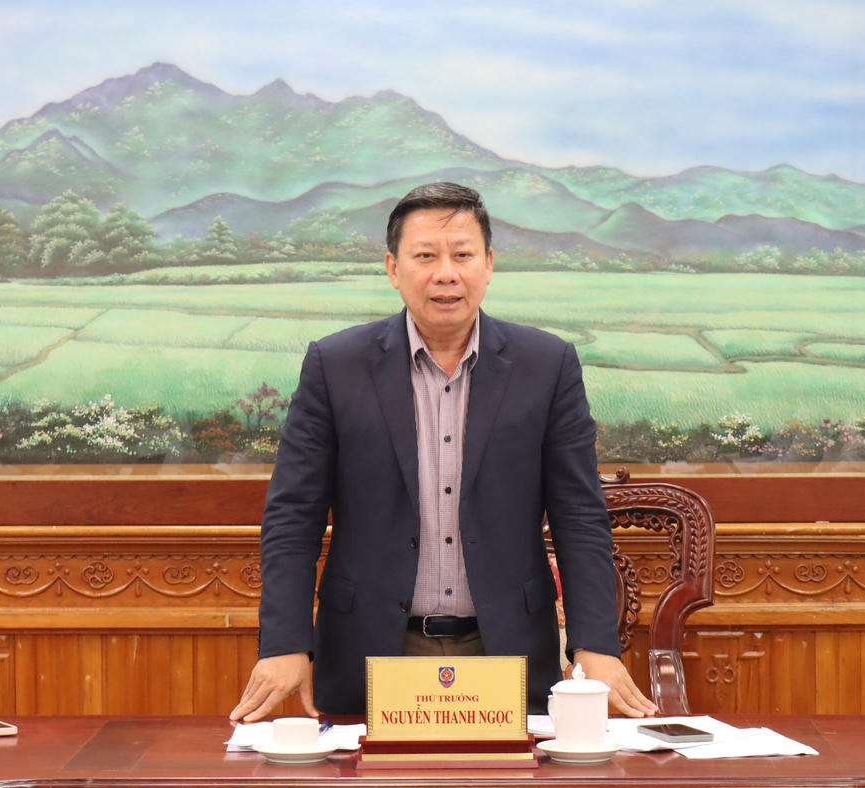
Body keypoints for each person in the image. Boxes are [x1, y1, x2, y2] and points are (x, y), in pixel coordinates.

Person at [230, 182, 656, 722]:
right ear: (393, 268)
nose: (446, 274)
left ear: (489, 264)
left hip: (507, 651)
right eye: (426, 256)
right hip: (370, 652)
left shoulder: (547, 366)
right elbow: (293, 516)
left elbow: (580, 516)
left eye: (462, 255)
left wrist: (593, 644)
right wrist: (286, 643)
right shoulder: (335, 366)